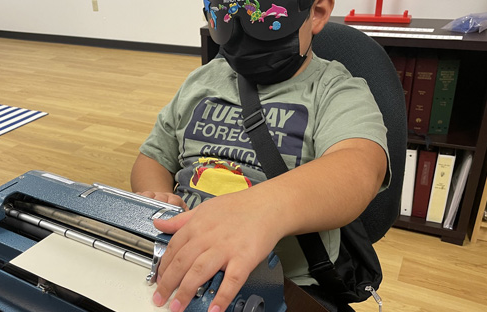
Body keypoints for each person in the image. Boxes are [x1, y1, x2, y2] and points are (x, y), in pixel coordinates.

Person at [130, 0, 390, 311]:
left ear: (316, 12)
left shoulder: (335, 90)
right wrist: (157, 199)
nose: (242, 35)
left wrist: (260, 209)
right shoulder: (201, 81)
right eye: (226, 14)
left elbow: (359, 168)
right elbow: (154, 157)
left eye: (261, 19)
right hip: (182, 263)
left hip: (284, 285)